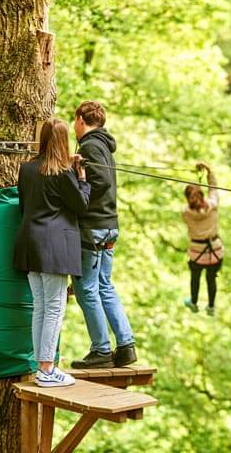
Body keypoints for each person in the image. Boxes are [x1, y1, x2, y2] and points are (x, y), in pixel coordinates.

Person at [14, 118, 91, 387]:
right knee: (54, 307)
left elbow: (24, 205)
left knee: (41, 307)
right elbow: (81, 205)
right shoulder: (63, 173)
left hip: (29, 243)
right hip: (54, 248)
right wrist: (82, 177)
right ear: (63, 141)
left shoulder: (26, 169)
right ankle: (47, 370)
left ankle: (42, 367)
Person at [71, 100, 137, 369]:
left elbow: (99, 182)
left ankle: (101, 350)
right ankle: (126, 344)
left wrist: (79, 186)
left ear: (80, 120)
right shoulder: (104, 146)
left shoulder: (89, 146)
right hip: (109, 224)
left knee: (85, 288)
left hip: (93, 226)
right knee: (104, 286)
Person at [182, 162, 224, 316]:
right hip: (215, 252)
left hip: (197, 254)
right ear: (202, 195)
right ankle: (211, 307)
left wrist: (194, 190)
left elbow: (192, 205)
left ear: (188, 199)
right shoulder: (213, 205)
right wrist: (208, 170)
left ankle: (193, 302)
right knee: (211, 279)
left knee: (195, 278)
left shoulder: (185, 212)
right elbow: (213, 188)